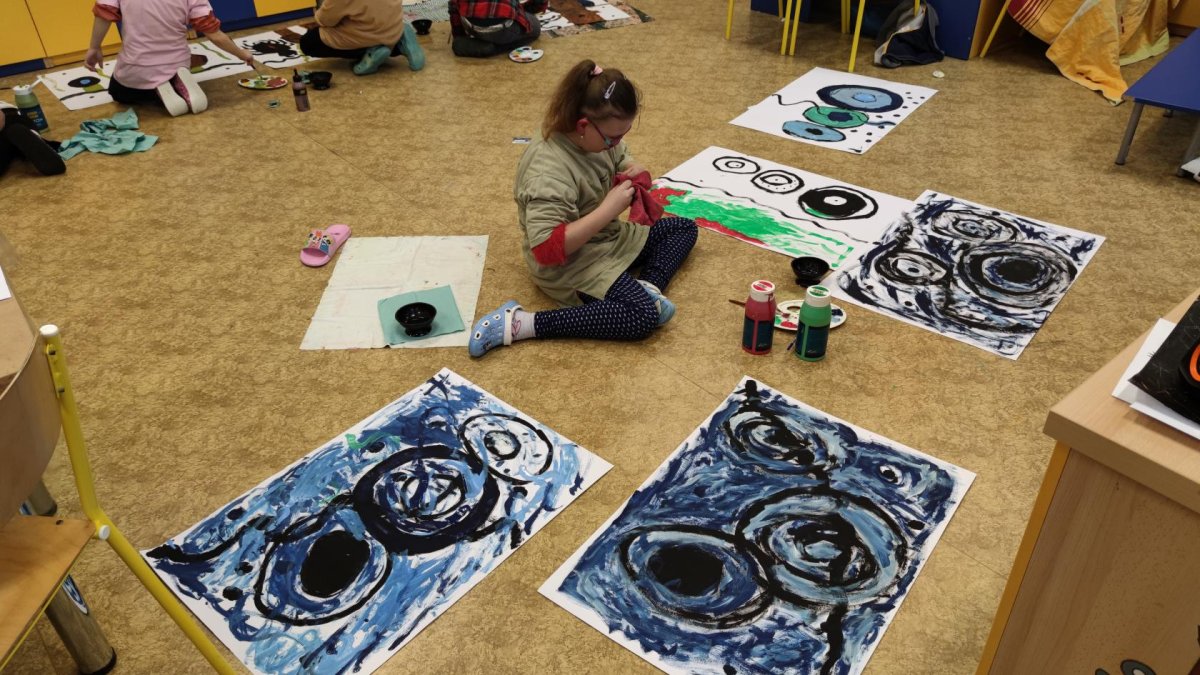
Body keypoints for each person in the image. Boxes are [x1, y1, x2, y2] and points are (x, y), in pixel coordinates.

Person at [469, 60, 698, 357]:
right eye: (613, 137)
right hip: (569, 265)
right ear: (582, 126)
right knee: (641, 317)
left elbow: (620, 157)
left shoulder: (598, 137)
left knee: (683, 228)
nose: (617, 143)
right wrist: (608, 210)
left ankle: (648, 288)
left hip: (606, 239)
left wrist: (633, 168)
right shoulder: (547, 170)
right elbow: (546, 250)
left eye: (624, 134)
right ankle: (522, 324)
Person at [85, 0, 254, 117]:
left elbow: (103, 14)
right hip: (177, 61)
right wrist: (242, 54)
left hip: (137, 65)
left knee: (118, 92)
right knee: (176, 62)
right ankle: (173, 79)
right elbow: (215, 35)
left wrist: (94, 47)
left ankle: (158, 89)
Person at [300, 0, 425, 75]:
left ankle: (370, 52)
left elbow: (326, 20)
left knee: (308, 42)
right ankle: (400, 39)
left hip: (366, 35)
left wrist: (318, 15)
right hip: (393, 28)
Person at [449, 0, 546, 59]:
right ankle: (493, 48)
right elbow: (538, 3)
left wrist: (458, 34)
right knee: (535, 27)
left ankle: (465, 43)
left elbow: (453, 4)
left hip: (470, 24)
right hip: (501, 29)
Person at [0, 103, 65, 177]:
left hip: (8, 116)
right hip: (13, 117)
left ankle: (31, 140)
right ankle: (35, 139)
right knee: (15, 132)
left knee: (11, 136)